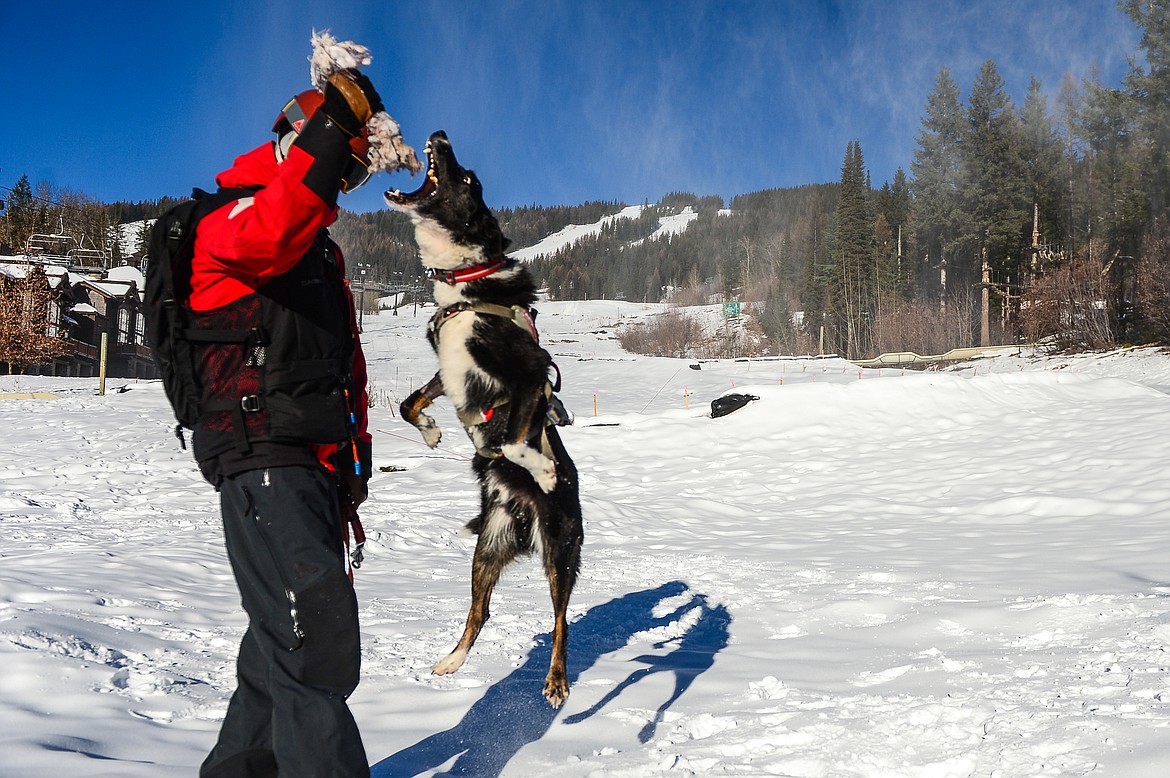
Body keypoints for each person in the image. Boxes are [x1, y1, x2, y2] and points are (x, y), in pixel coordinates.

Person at [189, 72, 383, 777]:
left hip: (309, 464)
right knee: (314, 640)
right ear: (292, 145)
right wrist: (333, 130)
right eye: (342, 167)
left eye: (354, 174)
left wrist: (353, 461)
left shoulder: (317, 256)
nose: (343, 184)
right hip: (260, 453)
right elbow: (271, 228)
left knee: (280, 648)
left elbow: (344, 367)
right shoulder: (227, 221)